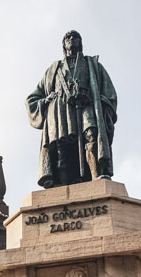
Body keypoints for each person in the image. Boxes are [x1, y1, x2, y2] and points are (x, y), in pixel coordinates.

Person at [26, 30, 117, 188]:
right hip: (60, 111)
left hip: (87, 106)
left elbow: (109, 93)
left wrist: (100, 103)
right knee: (62, 146)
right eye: (68, 37)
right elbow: (32, 98)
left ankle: (96, 175)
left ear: (80, 43)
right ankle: (62, 183)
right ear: (64, 44)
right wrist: (46, 101)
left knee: (91, 134)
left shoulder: (92, 65)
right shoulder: (54, 69)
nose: (71, 39)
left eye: (75, 37)